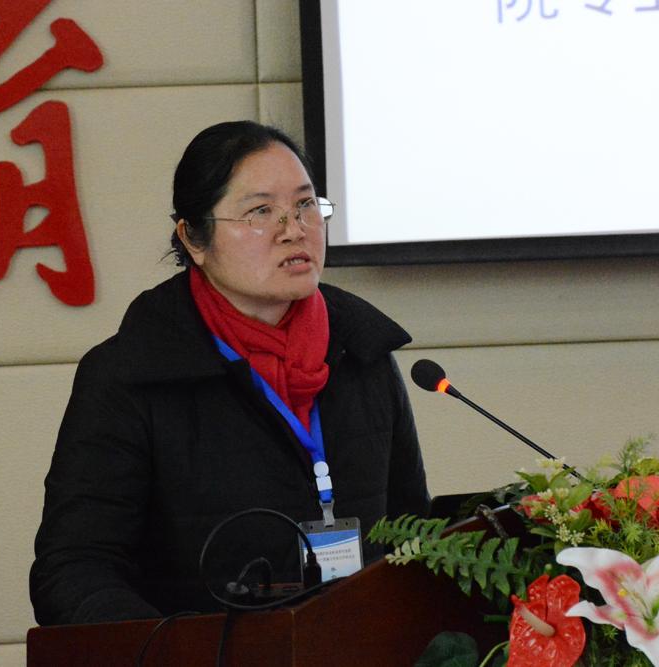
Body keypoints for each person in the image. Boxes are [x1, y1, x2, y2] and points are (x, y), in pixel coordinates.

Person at [29, 121, 430, 625]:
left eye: (306, 205)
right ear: (193, 238)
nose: (294, 229)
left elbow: (414, 532)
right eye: (261, 211)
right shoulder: (128, 377)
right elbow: (73, 570)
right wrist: (178, 653)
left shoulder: (363, 353)